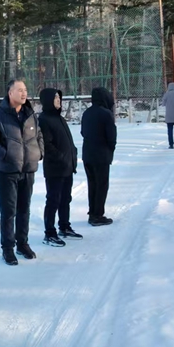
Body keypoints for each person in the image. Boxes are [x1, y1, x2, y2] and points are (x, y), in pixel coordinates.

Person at [0, 79, 44, 266]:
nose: (24, 93)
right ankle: (8, 248)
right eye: (19, 90)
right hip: (7, 171)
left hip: (28, 170)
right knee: (9, 211)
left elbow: (38, 135)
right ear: (10, 93)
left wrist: (39, 153)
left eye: (25, 90)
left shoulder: (30, 114)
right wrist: (6, 154)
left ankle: (22, 244)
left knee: (24, 209)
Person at [38, 88, 82, 245]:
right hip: (54, 168)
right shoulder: (44, 119)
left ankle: (64, 226)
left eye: (59, 97)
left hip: (67, 166)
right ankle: (49, 233)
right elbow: (47, 144)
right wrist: (61, 157)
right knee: (53, 200)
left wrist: (72, 153)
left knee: (65, 199)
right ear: (48, 100)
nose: (58, 100)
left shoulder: (59, 118)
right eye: (55, 97)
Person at [81, 87, 117, 227]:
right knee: (102, 185)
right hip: (101, 154)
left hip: (87, 153)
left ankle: (92, 212)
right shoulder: (106, 114)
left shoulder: (87, 113)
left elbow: (83, 132)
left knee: (92, 184)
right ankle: (98, 215)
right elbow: (111, 136)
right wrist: (110, 149)